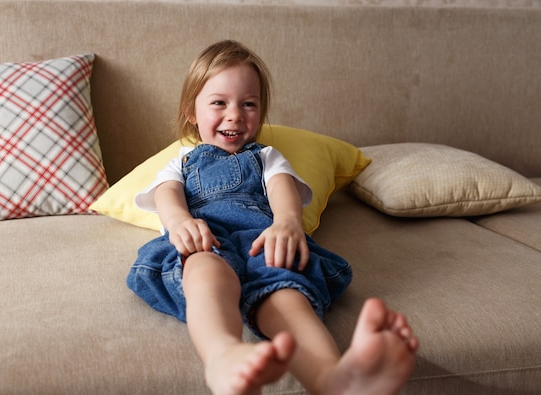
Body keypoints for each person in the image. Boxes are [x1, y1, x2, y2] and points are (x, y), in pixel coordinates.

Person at [127, 40, 419, 395]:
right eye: (219, 103)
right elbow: (167, 194)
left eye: (248, 104)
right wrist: (179, 223)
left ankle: (334, 378)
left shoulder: (266, 156)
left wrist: (287, 223)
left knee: (284, 290)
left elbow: (283, 189)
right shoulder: (183, 161)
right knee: (205, 271)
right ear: (192, 111)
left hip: (263, 240)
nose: (235, 114)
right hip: (206, 241)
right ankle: (222, 356)